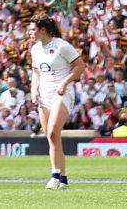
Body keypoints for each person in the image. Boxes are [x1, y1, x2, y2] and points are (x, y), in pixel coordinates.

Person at [28, 13, 86, 191]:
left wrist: (64, 83)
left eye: (32, 30)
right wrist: (33, 89)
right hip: (44, 95)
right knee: (52, 138)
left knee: (53, 131)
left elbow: (80, 66)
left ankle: (54, 176)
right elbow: (36, 71)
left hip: (62, 93)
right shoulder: (35, 49)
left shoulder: (62, 46)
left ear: (43, 30)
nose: (29, 33)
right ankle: (63, 179)